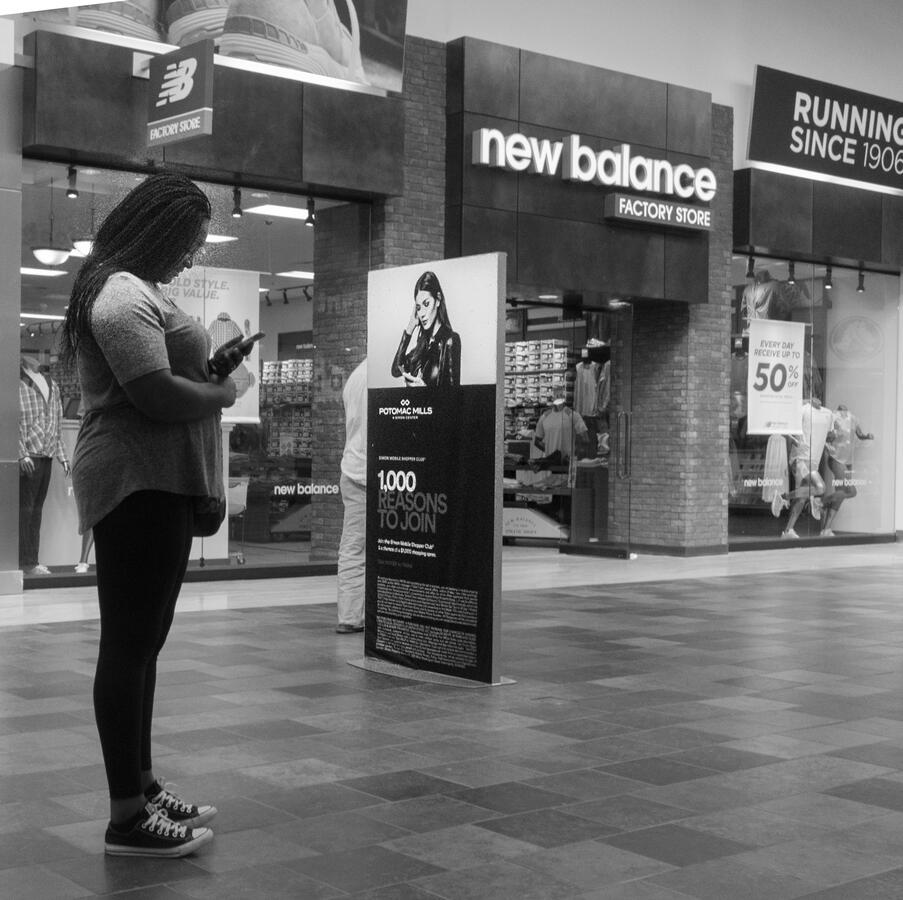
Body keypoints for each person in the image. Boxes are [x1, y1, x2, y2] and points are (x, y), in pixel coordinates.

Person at [59, 171, 252, 858]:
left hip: (159, 479)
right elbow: (157, 399)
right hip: (134, 480)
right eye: (190, 241)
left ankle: (140, 785)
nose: (193, 255)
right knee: (129, 645)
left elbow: (172, 386)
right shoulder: (117, 295)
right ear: (158, 229)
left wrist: (209, 372)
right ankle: (125, 818)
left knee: (145, 643)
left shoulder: (139, 290)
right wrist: (222, 391)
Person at [18, 355, 70, 575]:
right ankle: (23, 561)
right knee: (25, 512)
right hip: (29, 455)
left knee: (35, 511)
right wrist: (21, 453)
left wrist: (62, 456)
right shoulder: (18, 384)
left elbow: (56, 422)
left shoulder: (53, 386)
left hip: (46, 455)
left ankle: (32, 559)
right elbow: (13, 421)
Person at [336, 357, 367, 634]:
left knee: (353, 548)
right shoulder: (381, 378)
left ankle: (350, 615)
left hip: (353, 469)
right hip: (370, 474)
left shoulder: (355, 375)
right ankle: (354, 615)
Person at [773, 397, 833, 539]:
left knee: (801, 498)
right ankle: (794, 498)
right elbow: (786, 430)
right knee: (821, 488)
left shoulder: (828, 414)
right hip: (801, 459)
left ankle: (788, 530)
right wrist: (796, 442)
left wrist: (828, 443)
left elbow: (828, 435)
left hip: (814, 459)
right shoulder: (803, 410)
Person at [391, 270, 461, 388]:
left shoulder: (450, 341)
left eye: (426, 304)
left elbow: (453, 400)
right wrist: (410, 327)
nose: (422, 313)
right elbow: (396, 370)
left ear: (438, 300)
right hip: (416, 406)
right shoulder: (423, 345)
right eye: (418, 307)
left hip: (430, 406)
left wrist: (424, 391)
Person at [819, 404, 874, 536]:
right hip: (836, 458)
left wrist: (867, 436)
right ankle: (821, 502)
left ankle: (826, 529)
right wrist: (831, 437)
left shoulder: (853, 418)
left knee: (842, 494)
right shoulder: (833, 417)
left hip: (848, 460)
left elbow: (860, 435)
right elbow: (827, 436)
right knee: (849, 491)